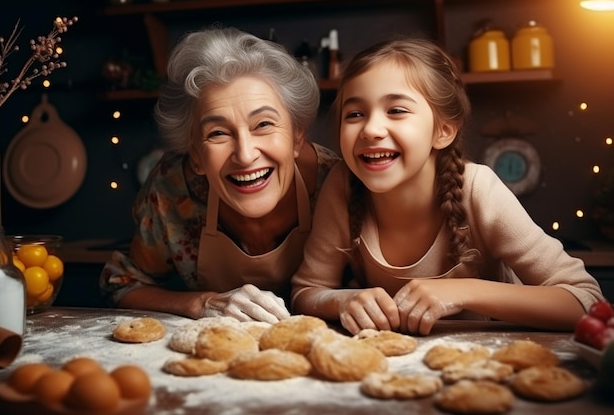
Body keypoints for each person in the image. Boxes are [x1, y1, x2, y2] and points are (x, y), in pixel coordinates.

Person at [290, 37, 604, 336]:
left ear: (443, 130)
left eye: (396, 110)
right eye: (355, 114)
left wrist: (464, 290)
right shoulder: (343, 185)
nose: (371, 129)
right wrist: (343, 300)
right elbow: (306, 291)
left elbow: (587, 301)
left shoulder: (478, 189)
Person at [100, 27, 340, 323]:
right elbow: (122, 284)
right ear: (197, 155)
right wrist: (202, 303)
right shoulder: (171, 191)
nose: (245, 154)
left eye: (263, 124)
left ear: (297, 137)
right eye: (218, 133)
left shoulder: (337, 183)